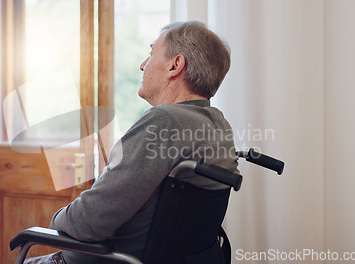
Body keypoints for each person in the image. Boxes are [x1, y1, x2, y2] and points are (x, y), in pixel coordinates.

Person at [24, 20, 238, 264]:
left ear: (175, 65)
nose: (142, 65)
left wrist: (59, 218)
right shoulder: (218, 126)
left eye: (150, 54)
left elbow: (88, 222)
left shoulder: (164, 122)